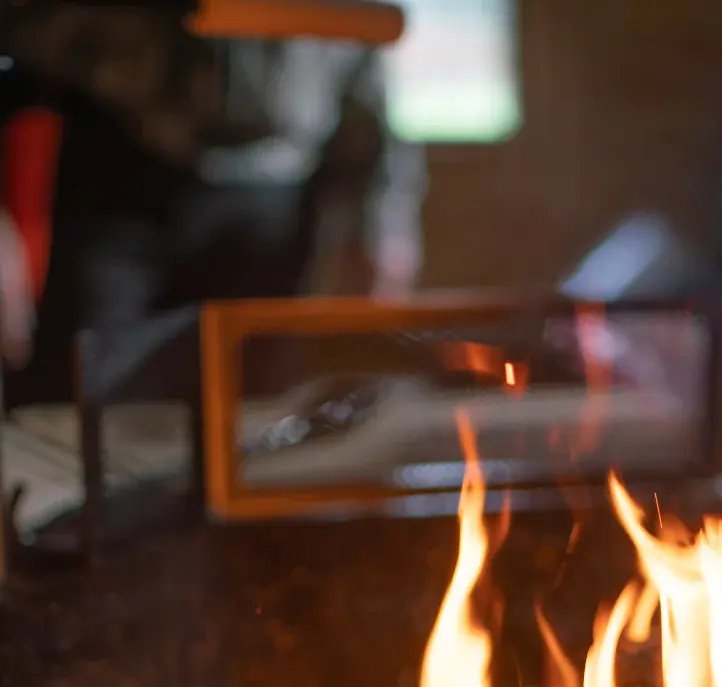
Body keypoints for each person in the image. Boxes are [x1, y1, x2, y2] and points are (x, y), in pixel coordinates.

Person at [2, 2, 425, 405]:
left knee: (251, 399)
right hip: (120, 170)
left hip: (273, 198)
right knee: (88, 388)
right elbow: (27, 39)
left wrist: (384, 228)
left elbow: (367, 88)